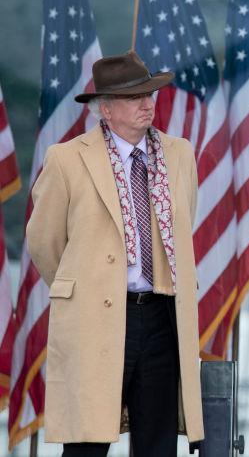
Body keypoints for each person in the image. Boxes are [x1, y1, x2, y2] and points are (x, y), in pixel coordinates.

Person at [26, 50, 204, 456]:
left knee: (157, 443)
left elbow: (183, 225)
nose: (147, 104)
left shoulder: (180, 155)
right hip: (95, 317)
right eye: (133, 97)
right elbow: (44, 242)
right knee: (87, 444)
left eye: (150, 94)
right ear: (105, 109)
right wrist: (87, 285)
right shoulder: (68, 159)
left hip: (161, 316)